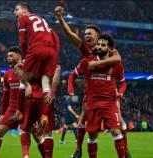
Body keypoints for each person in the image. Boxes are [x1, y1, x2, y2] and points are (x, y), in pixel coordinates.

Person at [55, 6, 121, 158]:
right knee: (83, 121)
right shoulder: (86, 49)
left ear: (98, 37)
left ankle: (125, 150)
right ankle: (78, 149)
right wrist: (60, 18)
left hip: (108, 94)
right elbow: (70, 33)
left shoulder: (109, 49)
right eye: (85, 34)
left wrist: (97, 64)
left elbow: (117, 58)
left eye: (89, 34)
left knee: (119, 124)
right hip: (91, 94)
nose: (86, 37)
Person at [77, 34, 126, 158]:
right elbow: (74, 74)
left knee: (116, 130)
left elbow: (123, 81)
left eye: (103, 45)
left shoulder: (116, 64)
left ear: (110, 48)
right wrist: (71, 87)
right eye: (98, 44)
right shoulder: (89, 61)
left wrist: (120, 91)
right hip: (92, 103)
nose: (99, 47)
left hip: (109, 103)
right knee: (92, 135)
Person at [14, 3, 59, 106]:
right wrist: (55, 55)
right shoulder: (42, 20)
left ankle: (19, 111)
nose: (14, 12)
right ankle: (45, 113)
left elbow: (22, 42)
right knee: (45, 81)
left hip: (36, 48)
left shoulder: (23, 19)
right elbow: (56, 38)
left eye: (16, 9)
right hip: (51, 50)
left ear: (25, 11)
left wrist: (26, 57)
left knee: (24, 78)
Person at [0, 46, 23, 158]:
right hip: (12, 108)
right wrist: (3, 113)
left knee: (37, 136)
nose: (8, 58)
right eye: (7, 56)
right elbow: (5, 96)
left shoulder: (27, 70)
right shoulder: (7, 74)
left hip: (26, 108)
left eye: (11, 55)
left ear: (19, 56)